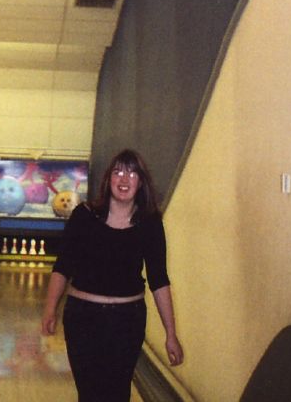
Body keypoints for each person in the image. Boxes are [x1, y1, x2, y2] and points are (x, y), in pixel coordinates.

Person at [41, 148, 184, 401]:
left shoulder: (150, 223)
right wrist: (50, 308)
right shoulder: (83, 216)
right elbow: (63, 266)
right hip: (83, 318)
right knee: (89, 395)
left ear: (141, 182)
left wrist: (170, 334)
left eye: (131, 173)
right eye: (118, 172)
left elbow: (159, 280)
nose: (124, 179)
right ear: (108, 180)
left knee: (117, 395)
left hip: (127, 321)